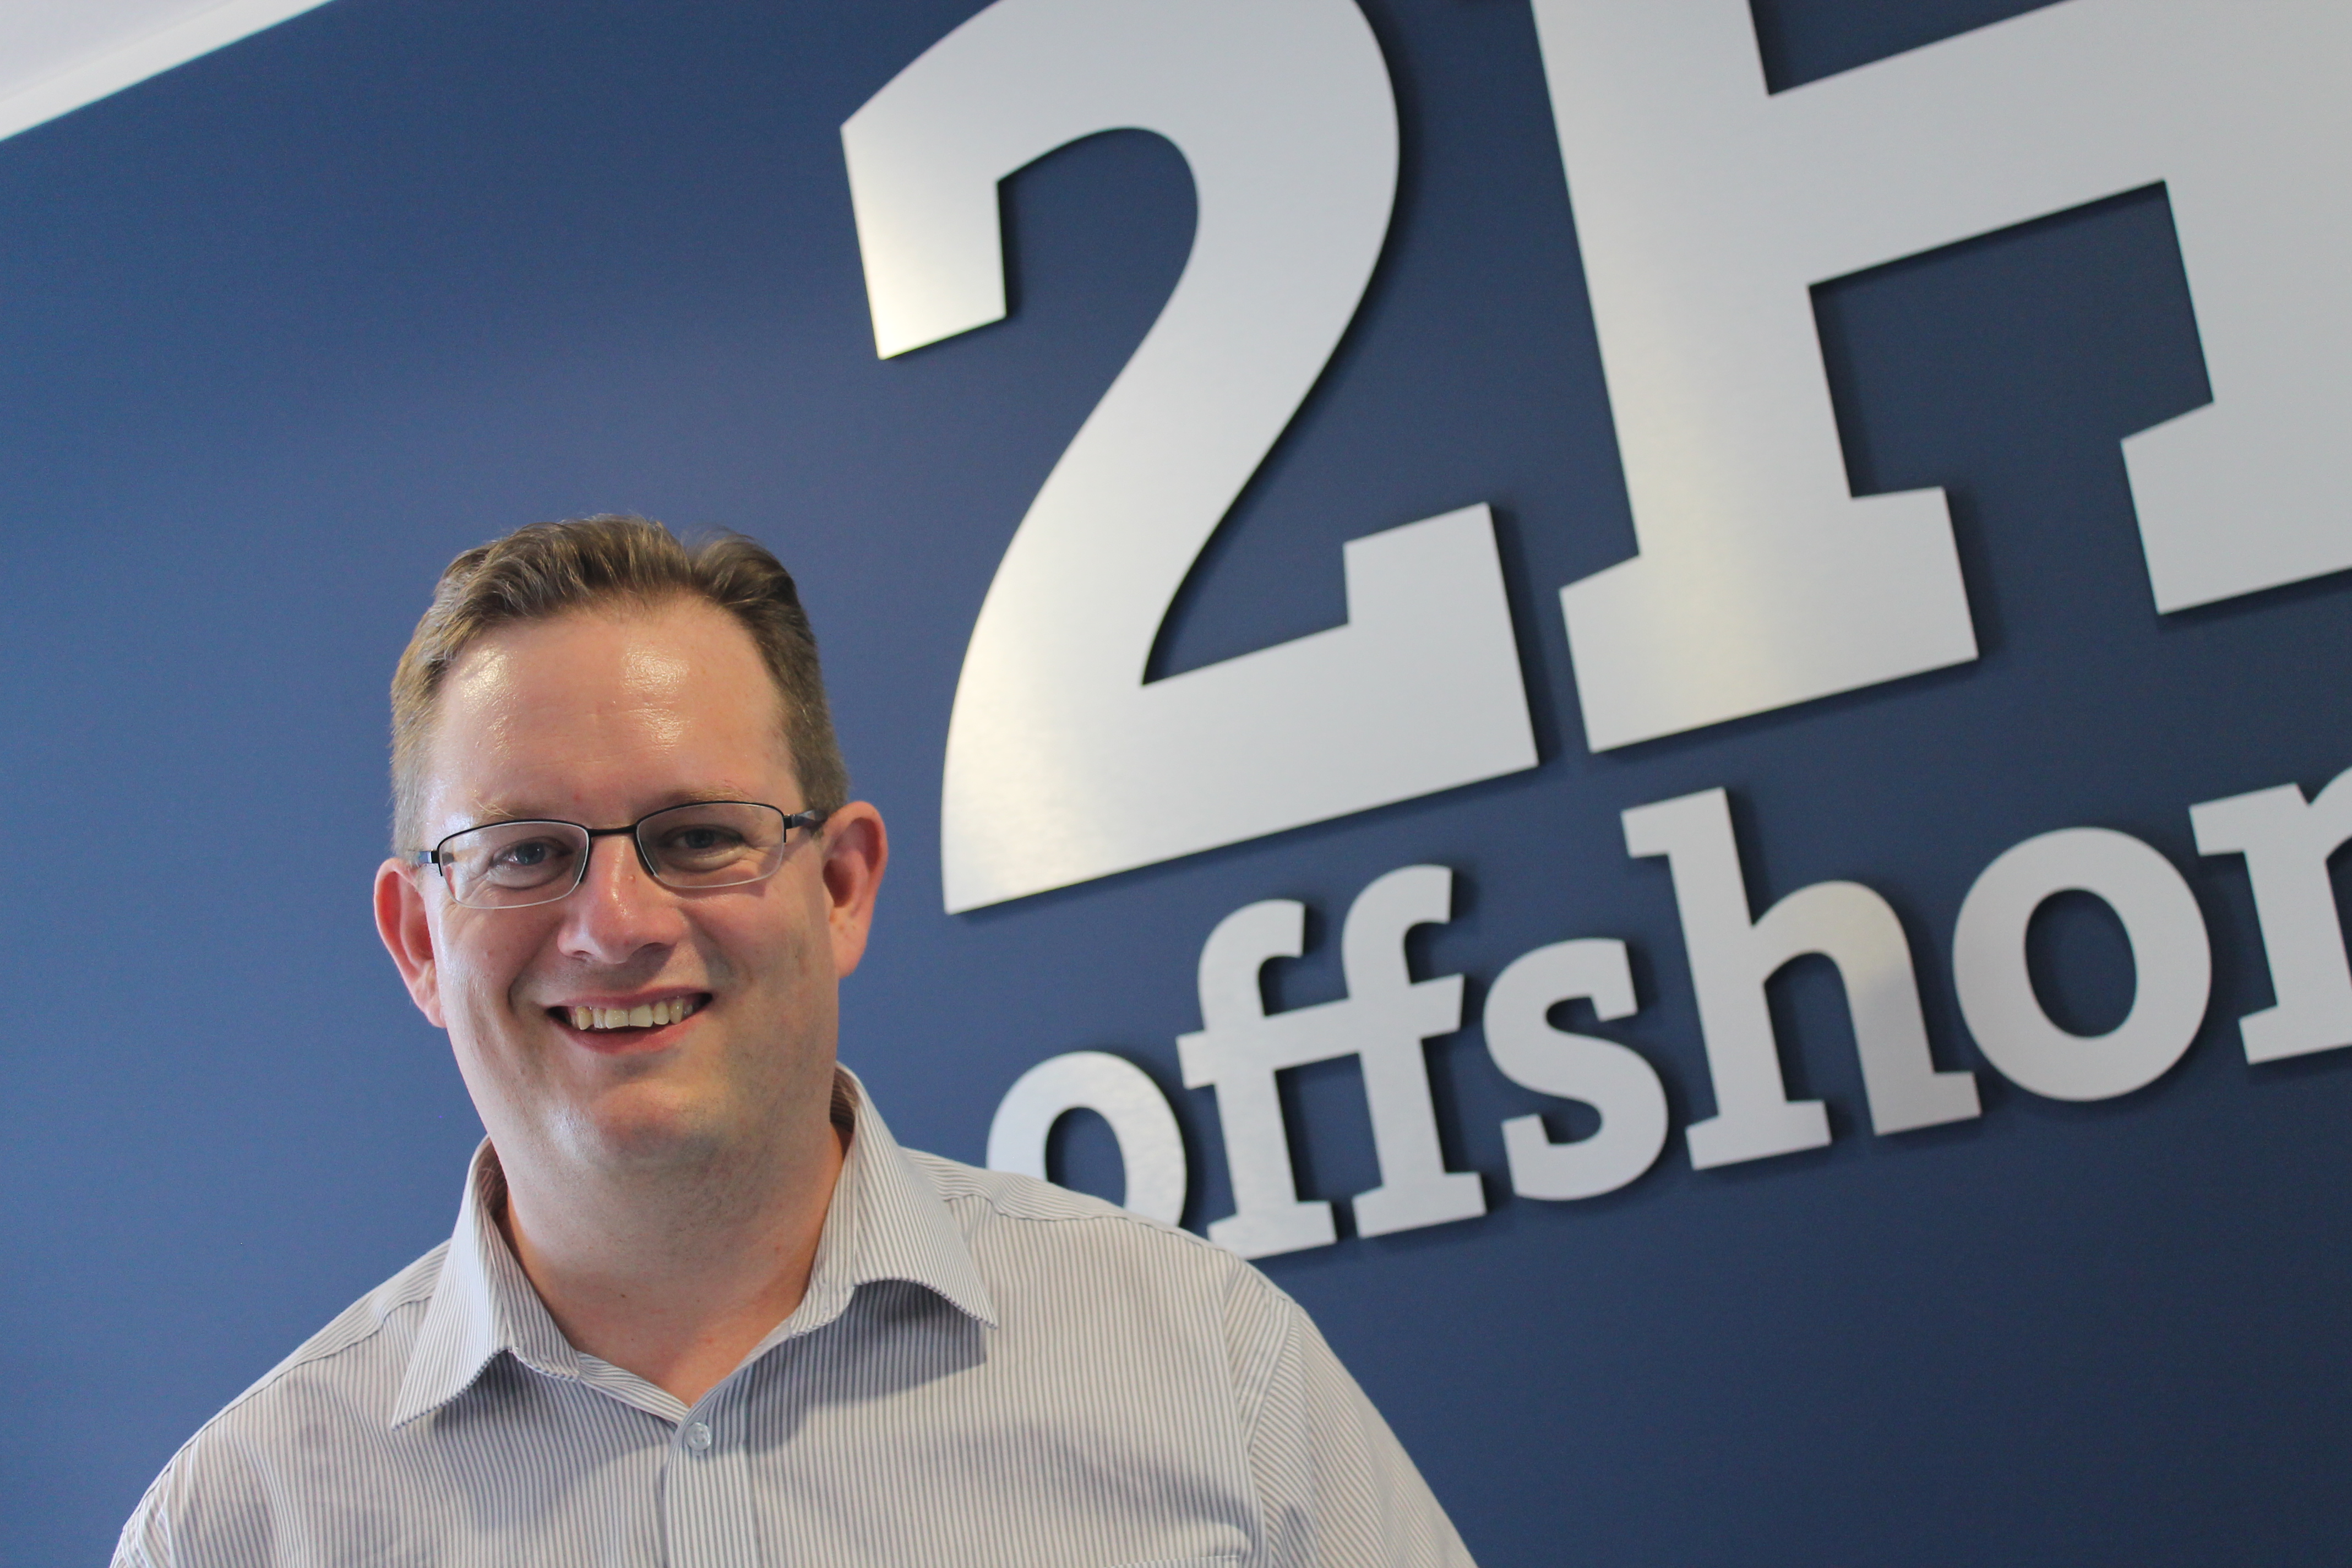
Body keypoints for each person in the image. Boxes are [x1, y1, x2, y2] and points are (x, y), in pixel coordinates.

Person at [113, 515, 1474, 1567]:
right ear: (418, 939)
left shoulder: (1202, 1359)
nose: (617, 921)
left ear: (842, 885)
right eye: (524, 852)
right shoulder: (238, 1526)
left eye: (698, 835)